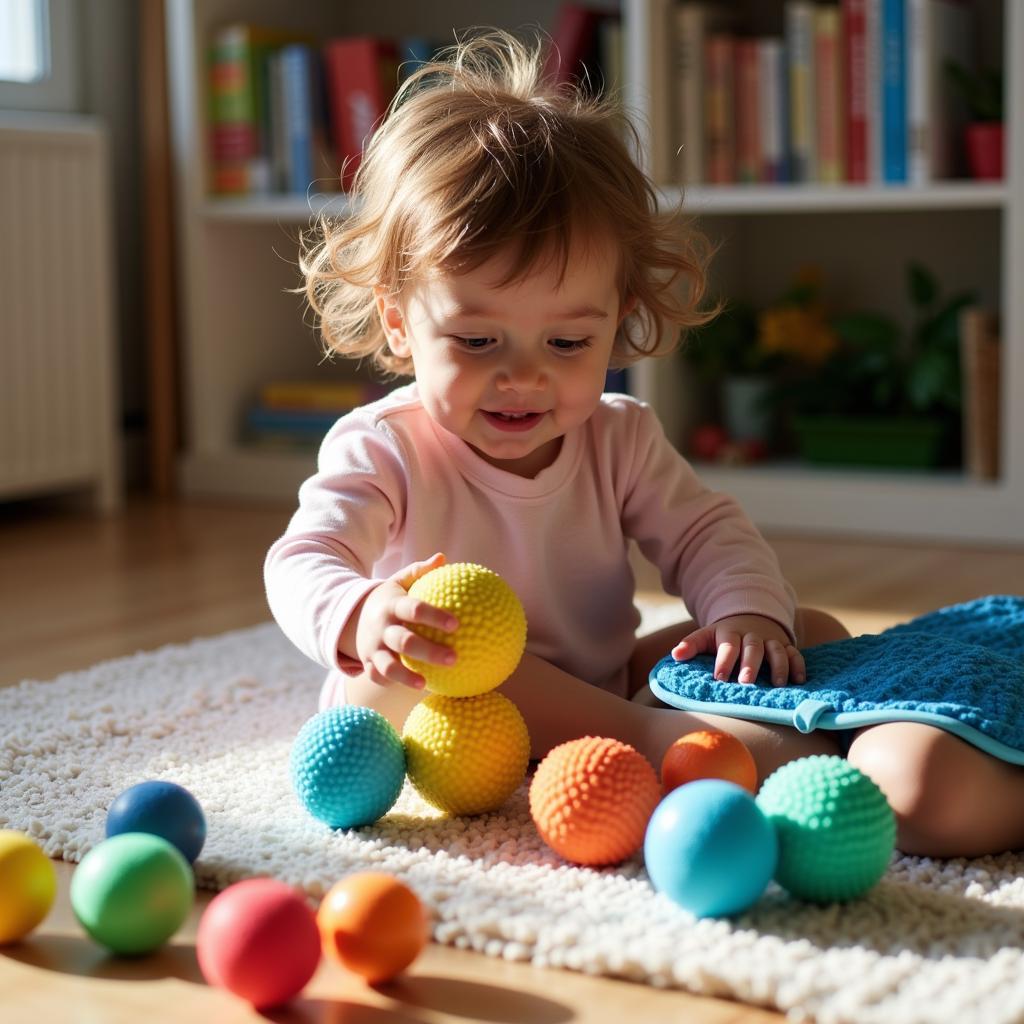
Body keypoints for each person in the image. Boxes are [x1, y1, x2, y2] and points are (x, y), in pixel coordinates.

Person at [265, 30, 1022, 859]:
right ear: (401, 323)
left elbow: (705, 532)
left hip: (603, 675)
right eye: (478, 344)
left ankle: (690, 717)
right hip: (444, 701)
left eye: (566, 346)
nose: (524, 380)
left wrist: (743, 614)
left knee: (806, 626)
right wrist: (361, 611)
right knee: (465, 653)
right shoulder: (382, 447)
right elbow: (303, 557)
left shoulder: (618, 434)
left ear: (615, 324)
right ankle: (656, 741)